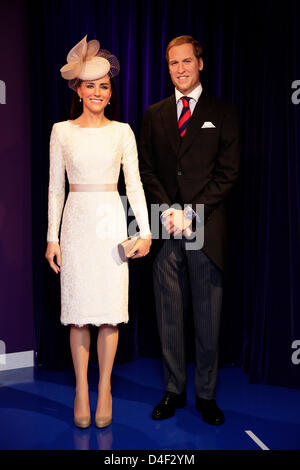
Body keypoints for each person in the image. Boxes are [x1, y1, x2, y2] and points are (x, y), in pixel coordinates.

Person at [45, 35, 151, 429]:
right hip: (75, 225)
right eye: (90, 85)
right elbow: (55, 187)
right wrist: (52, 238)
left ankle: (104, 387)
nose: (97, 92)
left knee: (108, 315)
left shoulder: (122, 132)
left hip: (110, 224)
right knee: (78, 316)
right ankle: (80, 389)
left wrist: (145, 231)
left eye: (104, 86)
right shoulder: (61, 131)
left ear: (110, 93)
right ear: (78, 89)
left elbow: (135, 185)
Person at [139, 35, 240, 425]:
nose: (179, 69)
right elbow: (146, 167)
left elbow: (228, 173)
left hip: (205, 226)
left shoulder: (223, 112)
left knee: (207, 315)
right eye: (172, 63)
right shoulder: (154, 113)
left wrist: (191, 214)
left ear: (200, 63)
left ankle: (207, 396)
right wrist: (168, 212)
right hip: (166, 226)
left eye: (185, 61)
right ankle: (173, 391)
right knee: (168, 314)